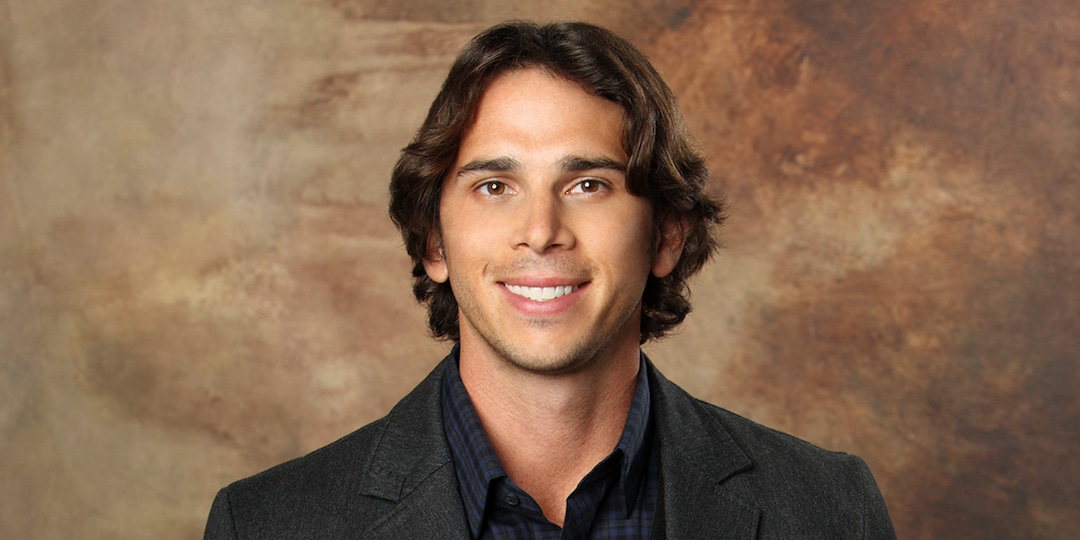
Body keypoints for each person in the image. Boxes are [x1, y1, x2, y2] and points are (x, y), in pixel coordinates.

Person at [204, 20, 895, 539]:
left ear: (666, 235)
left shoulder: (828, 509)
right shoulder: (267, 523)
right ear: (432, 241)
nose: (541, 230)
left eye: (588, 183)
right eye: (495, 185)